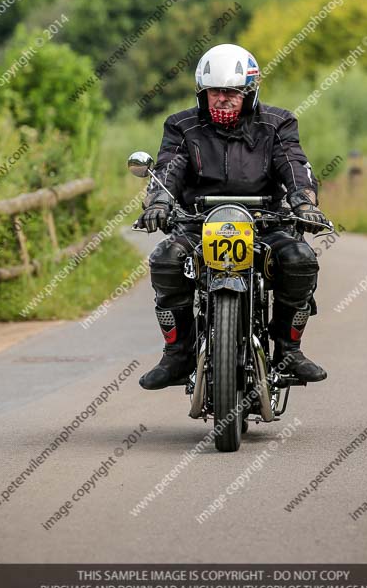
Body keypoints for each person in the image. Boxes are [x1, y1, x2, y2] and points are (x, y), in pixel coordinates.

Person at [136, 43, 329, 390]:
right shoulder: (181, 126)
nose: (222, 98)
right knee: (166, 259)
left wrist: (304, 202)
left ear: (250, 93)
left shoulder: (277, 123)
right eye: (215, 92)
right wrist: (158, 203)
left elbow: (293, 163)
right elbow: (169, 167)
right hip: (198, 222)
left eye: (231, 92)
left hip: (265, 222)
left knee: (300, 259)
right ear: (202, 93)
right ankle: (177, 353)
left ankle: (289, 350)